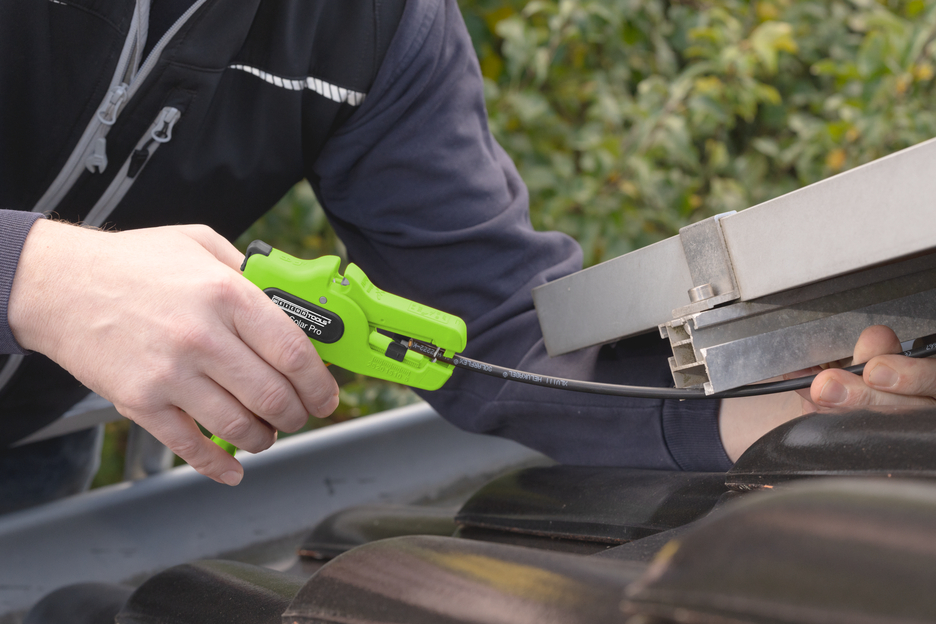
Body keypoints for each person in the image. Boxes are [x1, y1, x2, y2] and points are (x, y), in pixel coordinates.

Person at [1, 0, 933, 503]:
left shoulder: (381, 27)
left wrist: (792, 408)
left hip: (24, 452)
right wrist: (39, 273)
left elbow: (500, 336)